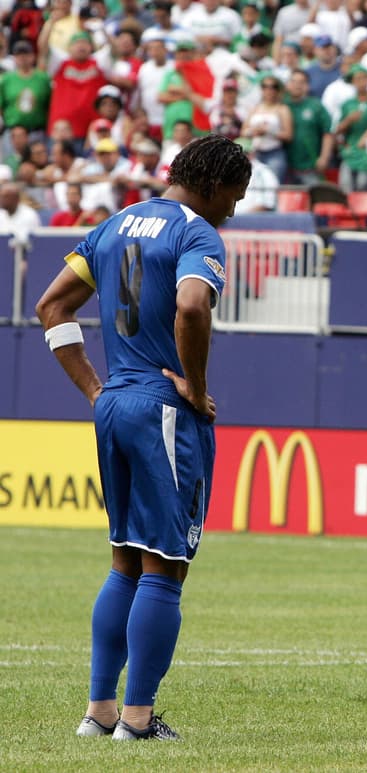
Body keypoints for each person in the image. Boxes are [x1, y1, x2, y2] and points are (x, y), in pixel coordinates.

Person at [34, 135, 251, 742]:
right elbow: (190, 307)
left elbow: (52, 307)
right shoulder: (197, 233)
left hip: (115, 405)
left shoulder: (112, 226)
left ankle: (98, 713)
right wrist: (195, 385)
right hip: (163, 412)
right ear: (211, 184)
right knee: (165, 565)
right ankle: (136, 719)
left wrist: (92, 390)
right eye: (235, 194)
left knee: (123, 559)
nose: (234, 208)